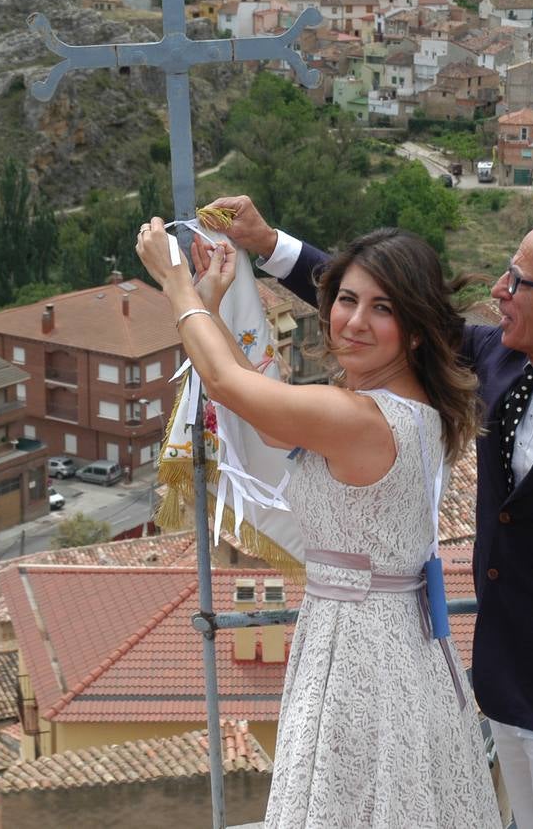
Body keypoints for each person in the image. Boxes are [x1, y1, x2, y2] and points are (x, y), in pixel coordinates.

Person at [207, 197, 533, 829]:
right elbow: (395, 303)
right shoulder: (499, 358)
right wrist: (268, 244)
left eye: (519, 281)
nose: (500, 290)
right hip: (500, 681)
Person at [135, 218, 500, 828]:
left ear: (414, 331)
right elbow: (261, 410)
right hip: (390, 636)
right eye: (347, 300)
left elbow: (228, 384)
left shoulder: (359, 417)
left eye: (381, 308)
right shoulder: (412, 408)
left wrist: (175, 284)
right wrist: (211, 302)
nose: (354, 321)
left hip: (360, 646)